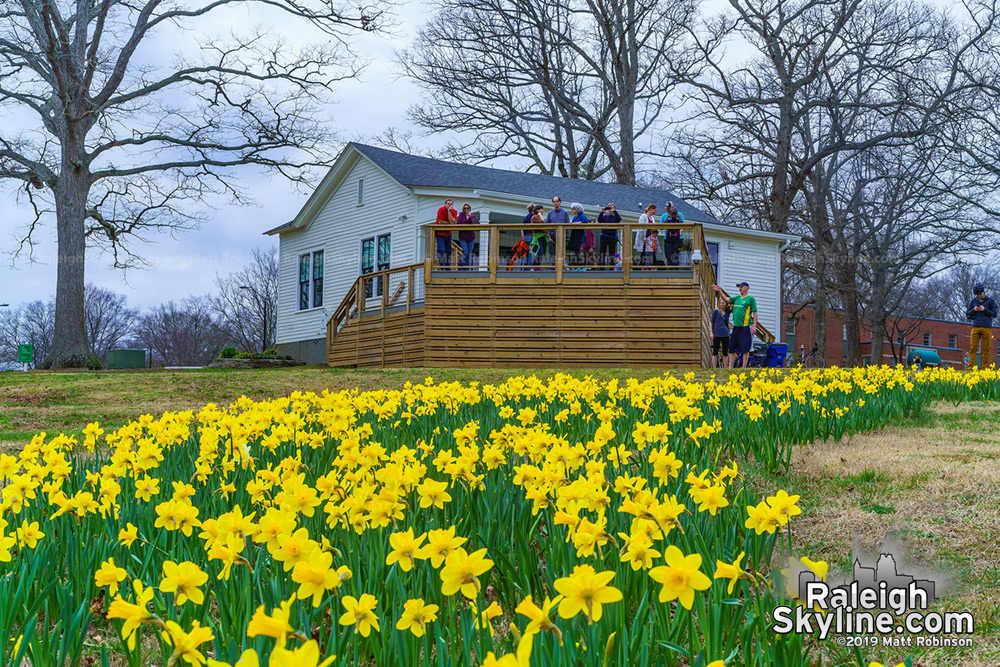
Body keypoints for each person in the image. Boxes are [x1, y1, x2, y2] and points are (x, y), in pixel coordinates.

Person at [713, 282, 757, 368]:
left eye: (742, 287)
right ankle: (730, 367)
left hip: (745, 326)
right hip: (736, 327)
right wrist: (720, 291)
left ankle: (743, 367)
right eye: (739, 287)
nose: (740, 288)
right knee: (731, 347)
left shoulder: (750, 299)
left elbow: (755, 312)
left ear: (747, 288)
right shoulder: (737, 298)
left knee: (745, 348)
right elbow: (726, 299)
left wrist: (754, 326)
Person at [966, 282, 997, 368]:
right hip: (975, 326)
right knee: (973, 348)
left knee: (986, 349)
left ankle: (984, 368)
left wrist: (984, 309)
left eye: (979, 294)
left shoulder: (990, 301)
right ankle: (970, 367)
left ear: (983, 291)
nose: (978, 296)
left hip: (986, 327)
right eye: (977, 294)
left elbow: (994, 314)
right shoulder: (973, 301)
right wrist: (974, 309)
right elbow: (967, 313)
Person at [435, 198, 457, 269]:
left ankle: (448, 268)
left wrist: (449, 212)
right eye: (448, 204)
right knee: (441, 249)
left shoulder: (454, 211)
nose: (449, 205)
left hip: (448, 233)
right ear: (445, 204)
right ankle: (442, 267)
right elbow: (440, 221)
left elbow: (452, 222)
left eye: (451, 204)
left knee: (449, 251)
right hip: (439, 233)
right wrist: (450, 223)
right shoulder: (441, 209)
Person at [660, 201, 685, 266]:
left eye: (668, 208)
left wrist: (680, 231)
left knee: (676, 254)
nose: (667, 209)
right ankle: (669, 269)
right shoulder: (664, 216)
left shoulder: (679, 214)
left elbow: (683, 225)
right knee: (668, 254)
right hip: (668, 238)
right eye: (666, 208)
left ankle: (676, 268)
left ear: (672, 207)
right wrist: (667, 218)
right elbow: (661, 227)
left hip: (678, 238)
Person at [597, 203, 622, 267]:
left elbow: (619, 220)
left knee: (612, 253)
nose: (610, 210)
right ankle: (602, 267)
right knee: (602, 252)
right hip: (604, 236)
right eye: (609, 209)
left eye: (611, 208)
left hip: (612, 237)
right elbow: (599, 220)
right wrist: (602, 212)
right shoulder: (605, 217)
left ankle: (611, 267)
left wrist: (615, 211)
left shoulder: (615, 217)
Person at [710, 299, 732, 368]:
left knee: (725, 352)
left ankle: (725, 367)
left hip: (725, 334)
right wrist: (711, 332)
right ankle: (714, 368)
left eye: (723, 303)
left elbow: (733, 305)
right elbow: (711, 322)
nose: (722, 304)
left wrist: (728, 302)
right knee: (715, 351)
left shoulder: (727, 312)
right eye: (721, 303)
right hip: (717, 334)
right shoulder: (716, 312)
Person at [456, 203, 476, 270]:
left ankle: (467, 268)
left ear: (470, 209)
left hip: (471, 237)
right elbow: (459, 223)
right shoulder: (461, 215)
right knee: (465, 252)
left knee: (469, 253)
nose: (466, 209)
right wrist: (466, 219)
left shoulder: (472, 216)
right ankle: (462, 267)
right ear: (463, 209)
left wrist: (469, 218)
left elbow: (471, 224)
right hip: (463, 237)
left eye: (468, 208)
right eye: (465, 208)